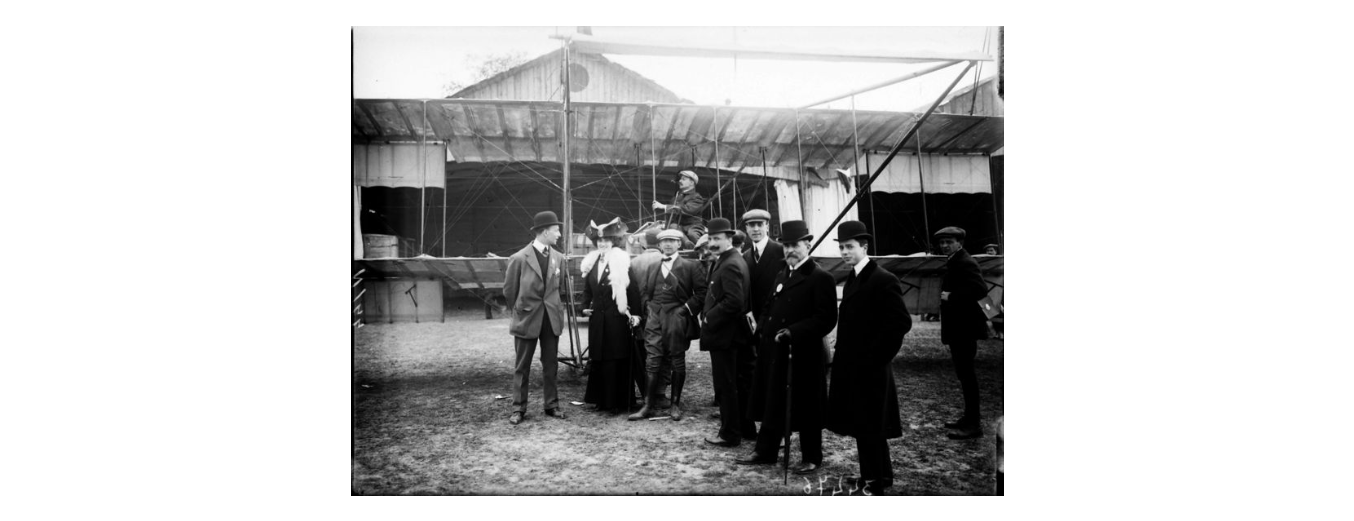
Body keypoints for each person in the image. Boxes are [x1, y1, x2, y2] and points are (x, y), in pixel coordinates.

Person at [735, 220, 838, 475]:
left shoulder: (820, 277)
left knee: (807, 406)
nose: (790, 250)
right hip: (775, 351)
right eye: (786, 245)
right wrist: (761, 330)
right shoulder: (783, 273)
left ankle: (811, 456)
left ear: (808, 244)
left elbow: (826, 318)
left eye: (795, 245)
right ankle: (766, 451)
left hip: (802, 353)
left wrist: (795, 332)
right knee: (774, 401)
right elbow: (770, 305)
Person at [825, 220, 911, 496]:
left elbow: (900, 323)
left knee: (872, 426)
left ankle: (877, 480)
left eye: (849, 247)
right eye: (841, 247)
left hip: (871, 368)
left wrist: (876, 358)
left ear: (864, 247)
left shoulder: (883, 279)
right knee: (864, 424)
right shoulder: (855, 275)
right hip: (854, 365)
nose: (844, 252)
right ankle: (874, 476)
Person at [630, 229, 707, 421]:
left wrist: (684, 310)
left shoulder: (691, 266)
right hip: (655, 317)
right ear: (659, 245)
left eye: (672, 241)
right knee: (652, 359)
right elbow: (645, 291)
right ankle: (648, 404)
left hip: (677, 317)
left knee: (676, 359)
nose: (668, 244)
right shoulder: (653, 266)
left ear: (679, 244)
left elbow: (701, 293)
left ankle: (675, 404)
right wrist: (648, 307)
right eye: (664, 241)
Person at [502, 210, 570, 425]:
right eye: (556, 230)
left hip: (551, 319)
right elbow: (509, 292)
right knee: (522, 366)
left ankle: (552, 405)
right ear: (543, 232)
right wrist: (523, 311)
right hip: (527, 319)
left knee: (551, 364)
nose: (559, 234)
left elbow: (560, 290)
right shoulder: (519, 258)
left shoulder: (558, 258)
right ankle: (518, 408)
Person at [579, 218, 642, 414]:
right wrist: (583, 307)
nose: (602, 244)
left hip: (617, 318)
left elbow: (633, 291)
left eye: (606, 240)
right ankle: (600, 400)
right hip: (598, 318)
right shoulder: (592, 261)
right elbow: (588, 290)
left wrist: (637, 314)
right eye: (599, 241)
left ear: (613, 241)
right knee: (598, 356)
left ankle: (618, 401)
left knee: (616, 357)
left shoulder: (621, 261)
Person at [698, 218, 751, 447]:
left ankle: (730, 434)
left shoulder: (730, 263)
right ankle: (745, 429)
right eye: (710, 238)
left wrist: (709, 317)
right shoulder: (729, 259)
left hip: (725, 335)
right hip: (731, 335)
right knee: (737, 384)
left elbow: (734, 302)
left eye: (717, 238)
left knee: (727, 385)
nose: (713, 242)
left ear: (729, 239)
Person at [934, 226, 989, 440]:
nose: (945, 245)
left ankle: (974, 425)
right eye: (942, 242)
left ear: (960, 243)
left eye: (949, 241)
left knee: (967, 376)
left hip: (964, 329)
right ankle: (968, 418)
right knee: (964, 375)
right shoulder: (957, 260)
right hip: (961, 328)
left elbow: (981, 291)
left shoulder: (965, 262)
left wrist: (952, 297)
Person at [628, 228, 671, 408]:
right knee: (665, 352)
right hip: (664, 313)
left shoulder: (633, 262)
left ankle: (646, 391)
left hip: (642, 315)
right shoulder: (666, 260)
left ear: (645, 243)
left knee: (645, 352)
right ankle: (660, 393)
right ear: (660, 243)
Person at [652, 170, 707, 246]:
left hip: (693, 226)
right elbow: (671, 217)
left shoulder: (697, 198)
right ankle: (688, 244)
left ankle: (703, 249)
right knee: (673, 226)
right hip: (679, 226)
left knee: (692, 234)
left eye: (683, 179)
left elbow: (687, 210)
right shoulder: (676, 198)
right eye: (680, 179)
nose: (680, 181)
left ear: (692, 183)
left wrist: (664, 207)